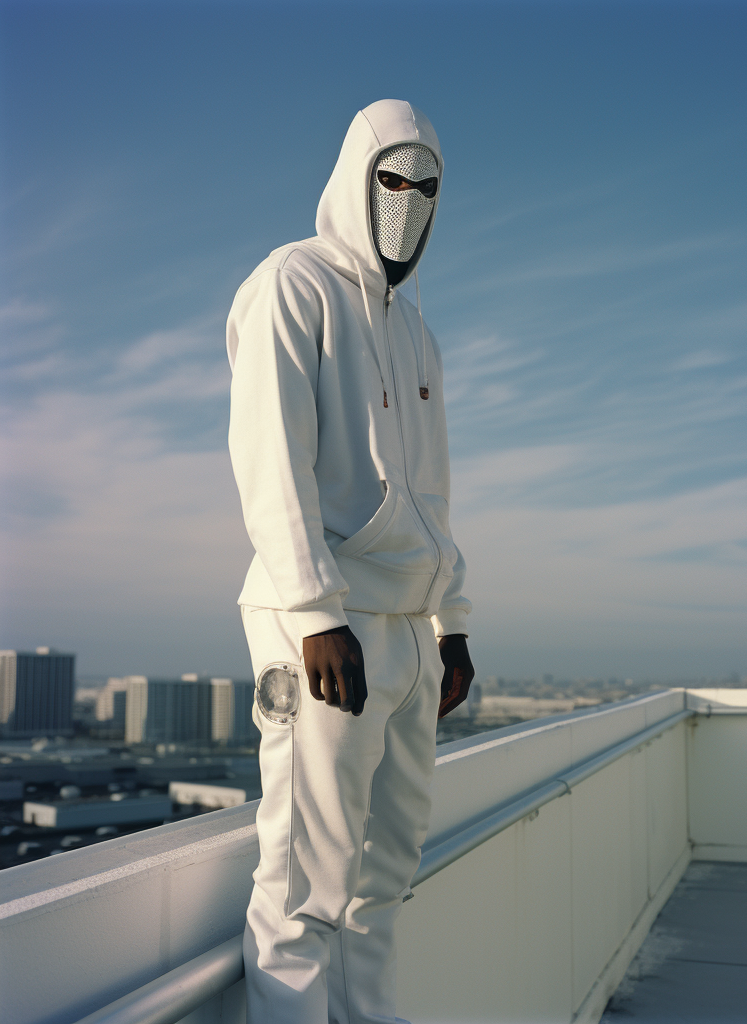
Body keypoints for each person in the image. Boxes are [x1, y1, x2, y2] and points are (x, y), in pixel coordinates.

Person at [226, 98, 474, 1024]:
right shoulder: (293, 283)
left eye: (429, 189)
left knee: (384, 879)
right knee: (306, 886)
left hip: (408, 630)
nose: (410, 203)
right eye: (393, 180)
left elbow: (435, 493)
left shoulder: (416, 331)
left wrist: (454, 623)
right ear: (355, 179)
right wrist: (314, 611)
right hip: (326, 631)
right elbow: (269, 454)